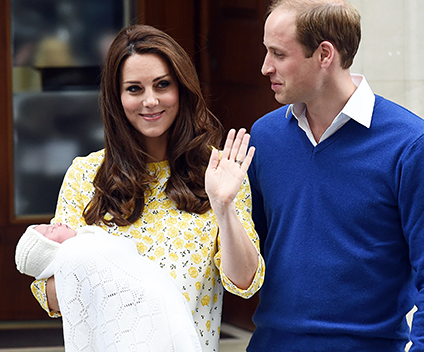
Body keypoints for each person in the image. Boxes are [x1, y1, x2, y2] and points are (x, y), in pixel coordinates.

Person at [247, 0, 424, 352]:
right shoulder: (265, 136)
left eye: (278, 54)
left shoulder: (413, 146)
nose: (265, 66)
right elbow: (250, 254)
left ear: (324, 54)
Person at [28, 24, 264, 352]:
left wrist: (223, 207)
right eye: (134, 89)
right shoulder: (85, 175)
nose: (150, 101)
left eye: (162, 85)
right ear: (117, 97)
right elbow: (50, 294)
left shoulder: (220, 172)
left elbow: (244, 283)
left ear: (181, 88)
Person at [16, 223, 202, 352]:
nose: (55, 224)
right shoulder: (75, 253)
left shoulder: (88, 241)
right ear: (49, 251)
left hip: (158, 297)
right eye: (49, 231)